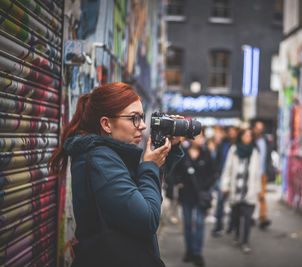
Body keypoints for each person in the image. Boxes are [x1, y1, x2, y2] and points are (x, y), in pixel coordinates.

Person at [49, 82, 184, 266]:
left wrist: (167, 151)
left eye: (142, 117)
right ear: (106, 124)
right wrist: (150, 166)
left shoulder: (113, 156)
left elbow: (145, 192)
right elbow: (147, 220)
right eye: (134, 118)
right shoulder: (100, 160)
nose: (143, 126)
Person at [175, 131, 216, 266]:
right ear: (191, 138)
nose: (201, 139)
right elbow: (175, 171)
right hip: (186, 194)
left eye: (202, 136)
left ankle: (197, 253)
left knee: (199, 223)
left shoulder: (206, 153)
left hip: (200, 196)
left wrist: (206, 187)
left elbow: (213, 173)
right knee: (187, 224)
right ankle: (189, 251)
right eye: (198, 136)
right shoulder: (183, 153)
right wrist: (178, 182)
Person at [221, 128, 261, 254]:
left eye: (250, 135)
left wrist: (258, 190)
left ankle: (245, 242)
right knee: (237, 215)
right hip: (236, 188)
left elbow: (257, 173)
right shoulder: (234, 150)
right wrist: (225, 185)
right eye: (245, 135)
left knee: (247, 217)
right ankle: (238, 236)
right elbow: (227, 169)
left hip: (249, 189)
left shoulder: (255, 152)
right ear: (241, 137)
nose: (247, 138)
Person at [211, 126, 238, 237]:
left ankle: (231, 226)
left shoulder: (238, 146)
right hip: (222, 176)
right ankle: (219, 225)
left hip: (234, 178)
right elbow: (217, 159)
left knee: (233, 203)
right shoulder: (223, 144)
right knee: (220, 202)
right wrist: (216, 173)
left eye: (233, 132)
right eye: (230, 132)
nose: (231, 134)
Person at [253, 120, 272, 229]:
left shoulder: (266, 141)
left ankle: (263, 218)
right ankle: (250, 217)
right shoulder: (251, 141)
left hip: (262, 173)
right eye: (257, 128)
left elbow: (267, 157)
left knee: (262, 196)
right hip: (252, 173)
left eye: (261, 129)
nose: (259, 131)